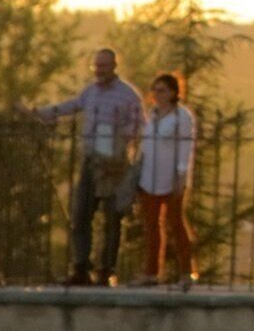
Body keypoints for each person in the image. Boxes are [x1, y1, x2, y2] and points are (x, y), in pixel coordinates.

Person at [33, 47, 144, 286]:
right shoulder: (90, 92)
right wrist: (42, 113)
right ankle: (81, 267)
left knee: (112, 219)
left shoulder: (128, 95)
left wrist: (118, 142)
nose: (99, 71)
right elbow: (70, 106)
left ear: (114, 66)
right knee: (81, 214)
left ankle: (107, 270)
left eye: (103, 66)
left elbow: (137, 126)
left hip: (113, 165)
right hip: (90, 161)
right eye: (96, 66)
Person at [136, 71, 199, 285]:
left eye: (162, 90)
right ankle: (151, 272)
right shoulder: (152, 115)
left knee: (176, 224)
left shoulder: (182, 117)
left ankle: (186, 272)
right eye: (155, 90)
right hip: (148, 177)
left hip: (171, 178)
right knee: (152, 226)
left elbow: (185, 148)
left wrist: (181, 176)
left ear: (173, 92)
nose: (157, 94)